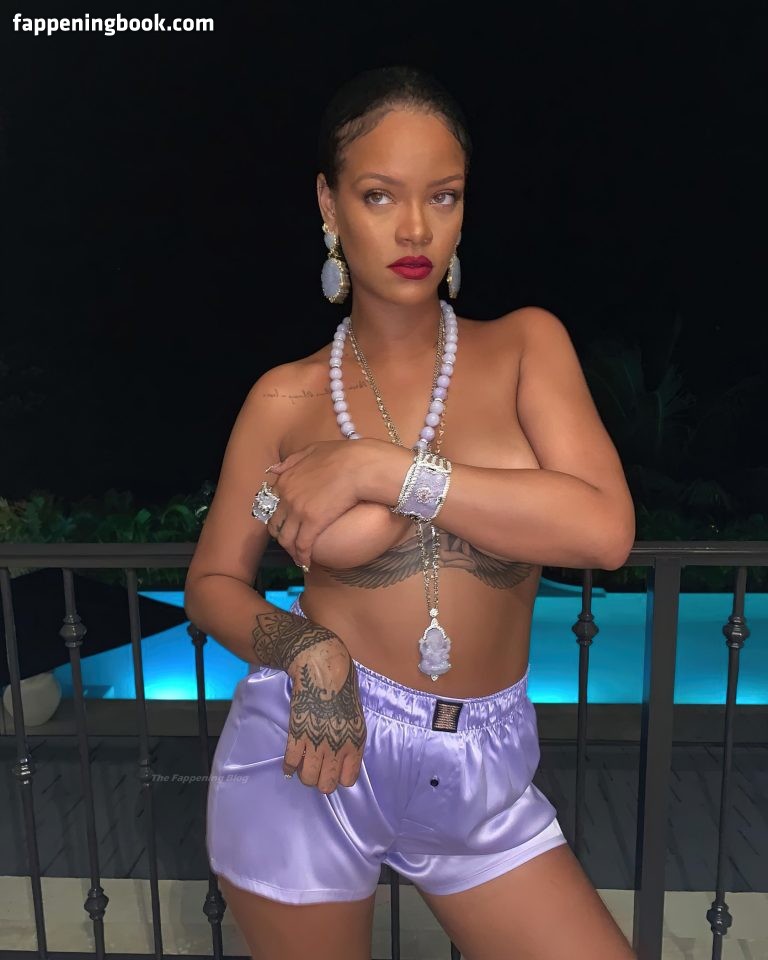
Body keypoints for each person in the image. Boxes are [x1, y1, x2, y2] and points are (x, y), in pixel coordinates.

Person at [184, 65, 637, 960]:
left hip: (486, 772)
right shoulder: (283, 400)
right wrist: (306, 651)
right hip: (310, 751)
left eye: (444, 195)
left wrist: (381, 470)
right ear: (329, 203)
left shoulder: (524, 347)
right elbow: (213, 582)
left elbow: (605, 531)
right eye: (380, 195)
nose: (416, 229)